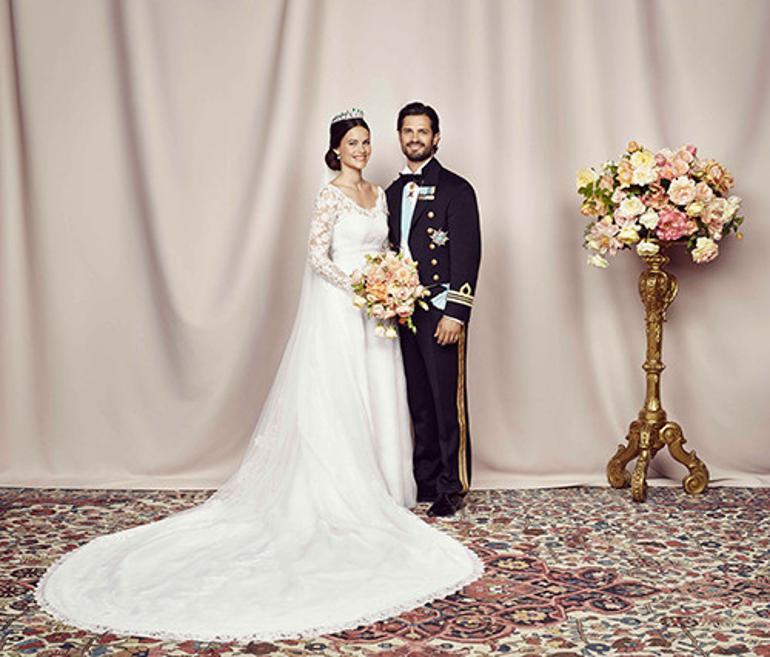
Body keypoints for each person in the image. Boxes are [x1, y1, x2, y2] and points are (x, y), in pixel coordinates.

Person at [34, 109, 482, 642]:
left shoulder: (396, 192)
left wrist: (400, 292)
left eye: (369, 141)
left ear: (433, 137)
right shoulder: (334, 195)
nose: (365, 149)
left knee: (393, 396)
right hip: (351, 309)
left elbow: (406, 251)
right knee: (353, 397)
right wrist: (364, 288)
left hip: (392, 312)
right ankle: (380, 487)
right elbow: (318, 256)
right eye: (356, 142)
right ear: (337, 149)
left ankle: (423, 485)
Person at [385, 102, 482, 518]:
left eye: (422, 131)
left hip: (441, 309)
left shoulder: (457, 190)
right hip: (403, 310)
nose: (415, 138)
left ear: (436, 138)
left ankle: (451, 485)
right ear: (400, 137)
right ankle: (424, 479)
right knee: (418, 399)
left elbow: (468, 255)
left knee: (446, 402)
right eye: (408, 131)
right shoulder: (391, 193)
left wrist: (456, 313)